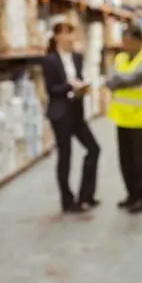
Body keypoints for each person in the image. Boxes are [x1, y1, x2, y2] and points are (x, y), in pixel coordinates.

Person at [42, 22, 102, 214]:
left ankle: (86, 195)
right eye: (67, 34)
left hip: (76, 111)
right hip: (61, 114)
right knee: (65, 156)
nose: (71, 39)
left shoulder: (77, 57)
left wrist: (82, 88)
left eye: (72, 34)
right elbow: (52, 89)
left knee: (94, 149)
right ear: (57, 37)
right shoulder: (50, 60)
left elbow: (79, 78)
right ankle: (67, 201)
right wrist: (70, 86)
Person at [105, 24, 142, 214]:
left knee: (141, 162)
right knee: (126, 161)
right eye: (124, 42)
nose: (125, 46)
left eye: (129, 42)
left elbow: (134, 79)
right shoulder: (120, 58)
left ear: (139, 41)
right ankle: (131, 194)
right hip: (122, 118)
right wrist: (117, 80)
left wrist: (117, 81)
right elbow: (111, 76)